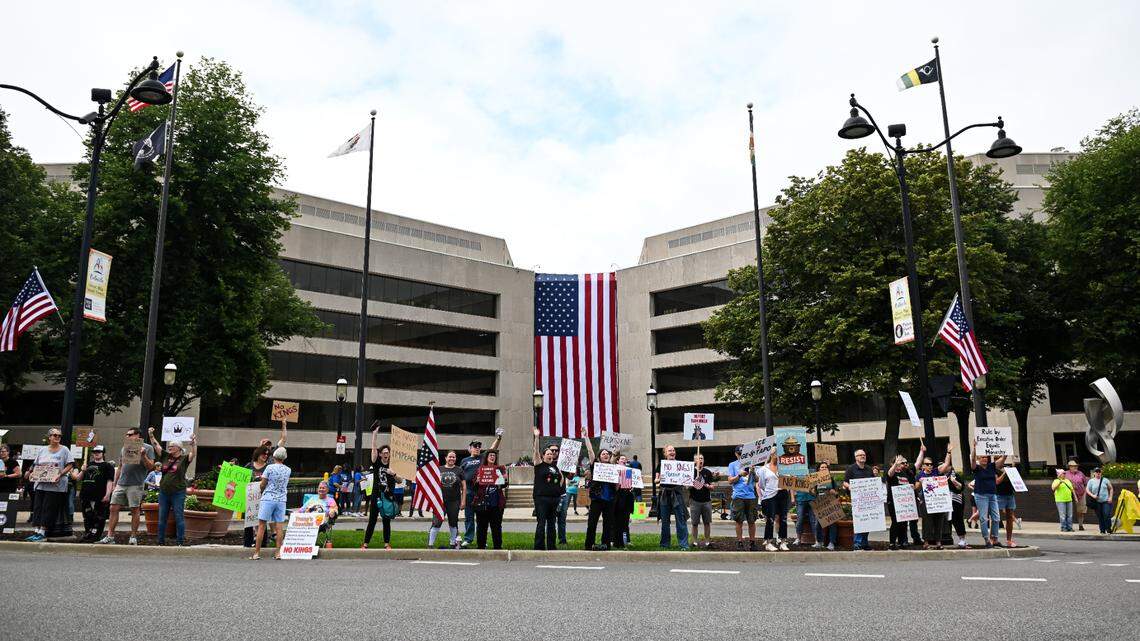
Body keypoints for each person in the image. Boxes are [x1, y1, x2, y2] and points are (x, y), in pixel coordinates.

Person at [24, 428, 75, 541]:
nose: (57, 437)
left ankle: (43, 532)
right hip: (41, 484)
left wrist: (60, 474)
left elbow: (70, 464)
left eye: (59, 436)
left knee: (49, 507)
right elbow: (35, 464)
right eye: (55, 435)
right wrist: (30, 472)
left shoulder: (64, 450)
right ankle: (36, 531)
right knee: (38, 507)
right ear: (49, 437)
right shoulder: (42, 450)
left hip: (56, 485)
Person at [148, 429, 197, 546]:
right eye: (169, 446)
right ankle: (160, 541)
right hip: (164, 492)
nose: (169, 447)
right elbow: (156, 446)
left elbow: (193, 454)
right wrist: (151, 435)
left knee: (179, 516)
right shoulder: (165, 456)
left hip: (178, 493)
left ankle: (180, 541)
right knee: (162, 517)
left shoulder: (184, 459)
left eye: (172, 446)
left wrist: (194, 443)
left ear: (179, 448)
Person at [459, 430, 502, 548]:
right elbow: (461, 477)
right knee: (469, 517)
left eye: (479, 446)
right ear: (469, 448)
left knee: (481, 519)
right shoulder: (464, 461)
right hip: (468, 493)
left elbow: (492, 449)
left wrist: (498, 438)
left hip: (480, 493)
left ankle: (481, 539)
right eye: (475, 446)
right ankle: (468, 538)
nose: (477, 448)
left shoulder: (483, 458)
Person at [363, 425, 399, 550]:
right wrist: (374, 434)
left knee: (386, 520)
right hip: (376, 495)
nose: (385, 454)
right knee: (372, 520)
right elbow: (373, 448)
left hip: (388, 497)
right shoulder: (376, 463)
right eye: (383, 453)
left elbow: (399, 480)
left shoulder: (392, 465)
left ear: (389, 455)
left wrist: (393, 473)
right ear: (380, 455)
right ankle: (365, 544)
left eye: (387, 453)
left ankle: (386, 544)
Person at [252, 447, 291, 560]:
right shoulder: (288, 469)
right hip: (281, 499)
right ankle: (278, 553)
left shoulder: (269, 467)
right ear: (284, 458)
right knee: (279, 526)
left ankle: (257, 553)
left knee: (261, 526)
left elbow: (263, 483)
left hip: (268, 498)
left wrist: (261, 489)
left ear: (273, 456)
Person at [914, 443, 953, 550]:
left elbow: (946, 465)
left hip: (938, 502)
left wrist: (948, 452)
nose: (930, 466)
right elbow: (916, 488)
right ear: (923, 466)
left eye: (931, 464)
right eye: (927, 464)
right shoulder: (920, 475)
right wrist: (921, 482)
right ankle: (926, 542)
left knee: (939, 521)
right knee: (927, 522)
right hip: (926, 502)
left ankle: (938, 542)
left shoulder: (936, 472)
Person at [970, 439, 1007, 547]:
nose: (984, 459)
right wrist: (975, 448)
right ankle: (987, 539)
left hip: (992, 495)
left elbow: (1001, 461)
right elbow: (972, 459)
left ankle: (994, 538)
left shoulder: (992, 466)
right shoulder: (976, 468)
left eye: (986, 457)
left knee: (996, 518)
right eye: (982, 457)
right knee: (983, 518)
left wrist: (1005, 452)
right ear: (979, 459)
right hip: (980, 495)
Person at [73, 445, 115, 541]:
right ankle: (88, 533)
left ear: (103, 453)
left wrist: (108, 494)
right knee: (87, 516)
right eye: (94, 452)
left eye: (98, 452)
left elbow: (110, 481)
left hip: (99, 495)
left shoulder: (107, 466)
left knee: (99, 517)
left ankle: (96, 535)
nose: (96, 453)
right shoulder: (87, 464)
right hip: (86, 495)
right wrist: (83, 471)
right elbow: (78, 479)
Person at [532, 428, 564, 550]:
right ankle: (539, 546)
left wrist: (558, 488)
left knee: (552, 524)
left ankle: (551, 546)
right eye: (548, 453)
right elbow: (535, 451)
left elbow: (561, 479)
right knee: (541, 523)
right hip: (541, 499)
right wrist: (536, 437)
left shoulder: (555, 467)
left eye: (552, 453)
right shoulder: (539, 465)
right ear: (543, 456)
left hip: (554, 499)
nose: (550, 455)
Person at [582, 439, 615, 551]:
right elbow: (590, 452)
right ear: (599, 457)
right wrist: (586, 438)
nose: (605, 455)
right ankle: (589, 544)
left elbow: (615, 454)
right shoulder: (595, 466)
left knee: (608, 524)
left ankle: (605, 544)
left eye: (607, 454)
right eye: (603, 454)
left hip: (609, 499)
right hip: (597, 499)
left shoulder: (612, 467)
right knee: (592, 523)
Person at [654, 445, 689, 550]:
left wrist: (687, 482)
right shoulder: (661, 465)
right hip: (664, 495)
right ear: (665, 453)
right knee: (665, 521)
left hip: (677, 494)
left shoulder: (680, 464)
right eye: (670, 450)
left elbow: (686, 480)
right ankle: (665, 544)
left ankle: (683, 544)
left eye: (673, 450)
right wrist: (660, 479)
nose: (672, 452)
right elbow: (656, 480)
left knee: (681, 520)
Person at [472, 449, 507, 549]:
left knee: (496, 527)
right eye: (490, 455)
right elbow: (474, 486)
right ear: (486, 457)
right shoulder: (480, 470)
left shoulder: (499, 469)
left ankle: (497, 547)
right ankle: (481, 547)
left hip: (496, 503)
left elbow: (504, 484)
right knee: (481, 528)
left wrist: (504, 479)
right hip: (482, 503)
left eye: (494, 456)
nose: (492, 457)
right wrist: (477, 481)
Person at [430, 450, 465, 548]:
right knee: (436, 522)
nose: (452, 459)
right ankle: (430, 544)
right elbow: (433, 484)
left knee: (453, 523)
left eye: (454, 457)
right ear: (445, 458)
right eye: (450, 457)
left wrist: (463, 501)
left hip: (454, 501)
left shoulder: (459, 470)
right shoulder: (439, 469)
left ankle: (453, 543)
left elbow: (464, 487)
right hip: (440, 502)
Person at [727, 445, 759, 550]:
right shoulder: (732, 465)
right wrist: (739, 475)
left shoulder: (751, 464)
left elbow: (757, 480)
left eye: (743, 454)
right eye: (739, 454)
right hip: (738, 495)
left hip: (750, 495)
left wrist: (753, 472)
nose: (741, 456)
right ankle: (740, 542)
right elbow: (730, 481)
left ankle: (752, 542)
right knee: (738, 520)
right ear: (736, 454)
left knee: (752, 520)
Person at [843, 449, 875, 550]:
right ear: (856, 457)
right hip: (857, 500)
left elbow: (873, 482)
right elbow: (845, 482)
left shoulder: (869, 469)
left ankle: (865, 543)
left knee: (867, 521)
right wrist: (849, 487)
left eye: (864, 455)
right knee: (859, 521)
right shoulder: (851, 469)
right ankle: (857, 543)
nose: (862, 456)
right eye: (860, 455)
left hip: (868, 499)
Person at [886, 450, 918, 550]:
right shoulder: (892, 473)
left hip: (904, 502)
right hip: (893, 502)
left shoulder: (905, 473)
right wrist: (895, 464)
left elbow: (916, 466)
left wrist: (911, 486)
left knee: (904, 522)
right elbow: (890, 474)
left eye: (902, 462)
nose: (901, 464)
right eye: (900, 462)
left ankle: (902, 541)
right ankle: (892, 542)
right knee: (895, 522)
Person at [758, 452, 787, 551]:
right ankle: (768, 542)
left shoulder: (784, 467)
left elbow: (789, 480)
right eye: (775, 453)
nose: (777, 455)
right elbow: (761, 484)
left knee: (783, 519)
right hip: (770, 496)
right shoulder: (763, 469)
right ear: (771, 454)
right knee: (770, 519)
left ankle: (783, 541)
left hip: (782, 493)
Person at [243, 446, 271, 547]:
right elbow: (240, 476)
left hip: (263, 498)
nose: (265, 456)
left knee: (262, 521)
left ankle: (262, 544)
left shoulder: (268, 467)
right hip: (250, 499)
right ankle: (247, 543)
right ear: (258, 454)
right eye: (264, 453)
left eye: (267, 454)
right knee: (248, 522)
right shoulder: (249, 465)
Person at [690, 453, 716, 548]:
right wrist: (693, 483)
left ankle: (707, 542)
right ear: (694, 461)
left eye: (701, 458)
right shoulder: (691, 472)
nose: (700, 460)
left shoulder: (707, 472)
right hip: (694, 501)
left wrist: (707, 485)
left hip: (706, 501)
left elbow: (712, 486)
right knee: (694, 523)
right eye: (698, 458)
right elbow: (686, 487)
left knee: (707, 522)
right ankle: (695, 542)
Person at [300, 480, 338, 545]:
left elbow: (335, 509)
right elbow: (302, 509)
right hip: (308, 520)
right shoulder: (312, 498)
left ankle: (309, 544)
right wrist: (296, 513)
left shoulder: (330, 500)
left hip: (322, 522)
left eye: (323, 488)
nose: (321, 489)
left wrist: (332, 511)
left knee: (312, 526)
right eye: (320, 488)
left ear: (327, 490)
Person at [813, 462, 840, 550]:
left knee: (832, 524)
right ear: (819, 469)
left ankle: (831, 543)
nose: (824, 468)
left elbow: (837, 492)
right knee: (818, 524)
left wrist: (834, 492)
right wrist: (811, 490)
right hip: (819, 502)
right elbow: (814, 492)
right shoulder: (816, 480)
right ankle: (819, 542)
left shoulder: (831, 479)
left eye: (825, 467)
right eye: (822, 467)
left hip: (830, 502)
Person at [612, 454, 636, 548]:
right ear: (617, 461)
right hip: (617, 496)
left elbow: (630, 483)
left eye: (625, 459)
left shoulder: (629, 471)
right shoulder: (614, 469)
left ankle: (626, 539)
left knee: (625, 519)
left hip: (627, 496)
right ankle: (614, 539)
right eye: (622, 459)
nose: (624, 460)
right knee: (615, 519)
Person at [995, 459, 1018, 548]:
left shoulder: (1008, 469)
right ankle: (993, 539)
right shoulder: (994, 470)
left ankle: (1009, 540)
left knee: (1009, 517)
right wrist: (1005, 473)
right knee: (996, 517)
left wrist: (1013, 469)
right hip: (999, 495)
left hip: (1010, 495)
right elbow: (997, 481)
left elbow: (1015, 480)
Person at [1086, 468, 1114, 534]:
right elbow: (1087, 490)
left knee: (1106, 514)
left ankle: (1108, 528)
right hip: (1097, 502)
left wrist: (1110, 497)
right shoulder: (1091, 481)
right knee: (1100, 516)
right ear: (1094, 473)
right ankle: (1102, 530)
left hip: (1105, 501)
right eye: (1096, 472)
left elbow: (1111, 488)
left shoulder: (1105, 480)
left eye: (1099, 472)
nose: (1098, 473)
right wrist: (1093, 496)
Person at [946, 467, 969, 548]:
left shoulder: (955, 475)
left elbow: (961, 487)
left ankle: (962, 539)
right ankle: (945, 538)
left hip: (955, 500)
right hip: (942, 501)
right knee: (945, 521)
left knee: (958, 519)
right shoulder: (938, 475)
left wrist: (954, 481)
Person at [1064, 460, 1089, 531]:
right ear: (1069, 467)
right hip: (1069, 495)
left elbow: (1085, 482)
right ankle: (1068, 526)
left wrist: (1085, 491)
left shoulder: (1080, 473)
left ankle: (1081, 525)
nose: (1075, 467)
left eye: (1076, 466)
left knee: (1081, 510)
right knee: (1068, 511)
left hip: (1081, 494)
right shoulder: (1065, 474)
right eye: (1073, 466)